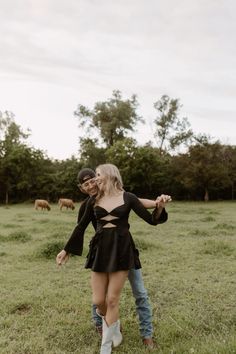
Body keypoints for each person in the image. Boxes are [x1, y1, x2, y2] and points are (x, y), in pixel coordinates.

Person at [57, 165, 170, 354]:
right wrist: (66, 250)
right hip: (102, 251)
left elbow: (142, 208)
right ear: (82, 188)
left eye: (96, 177)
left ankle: (141, 337)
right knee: (99, 300)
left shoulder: (126, 196)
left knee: (134, 294)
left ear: (107, 176)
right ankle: (111, 326)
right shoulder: (91, 202)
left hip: (124, 251)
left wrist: (158, 203)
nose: (93, 183)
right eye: (87, 183)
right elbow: (80, 227)